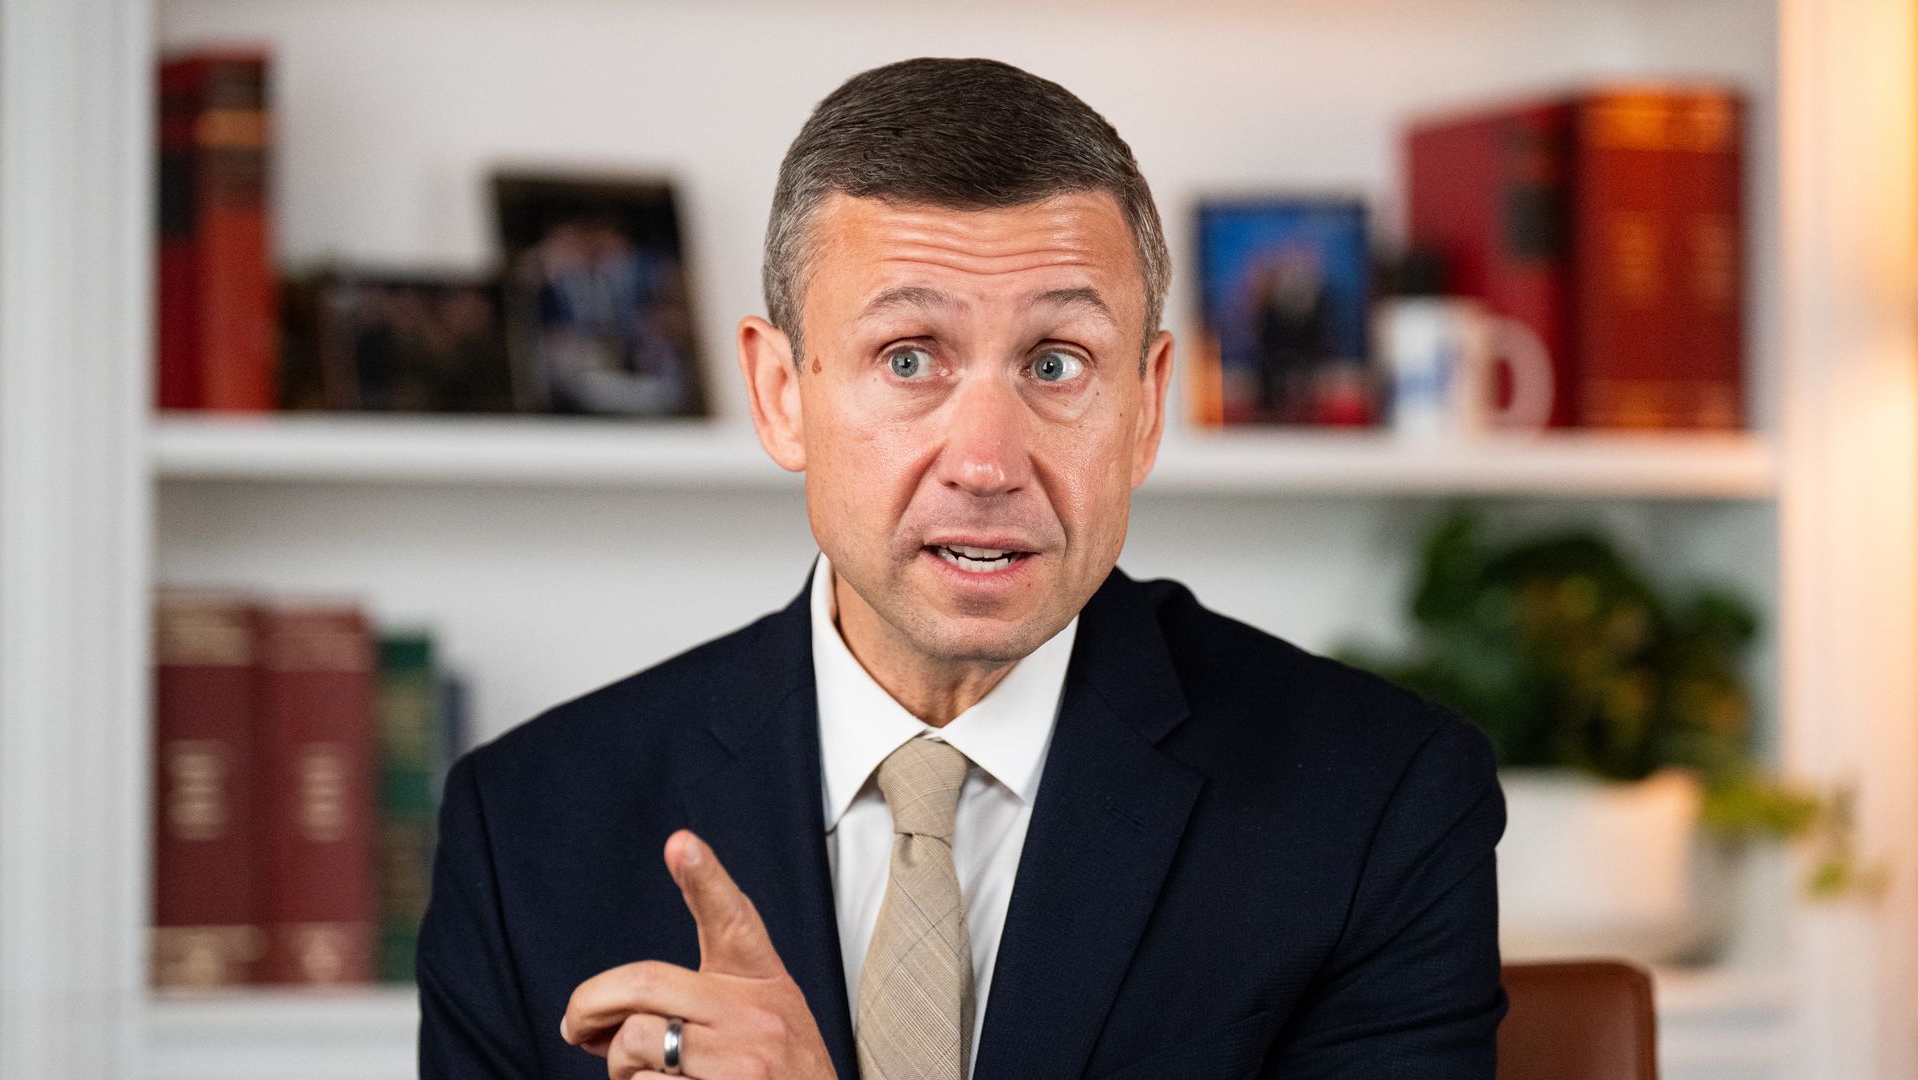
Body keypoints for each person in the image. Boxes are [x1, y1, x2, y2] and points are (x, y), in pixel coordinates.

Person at [418, 57, 1505, 1080]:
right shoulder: (524, 831)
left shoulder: (1381, 804)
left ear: (1145, 406)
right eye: (908, 359)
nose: (988, 463)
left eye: (1055, 363)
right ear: (780, 393)